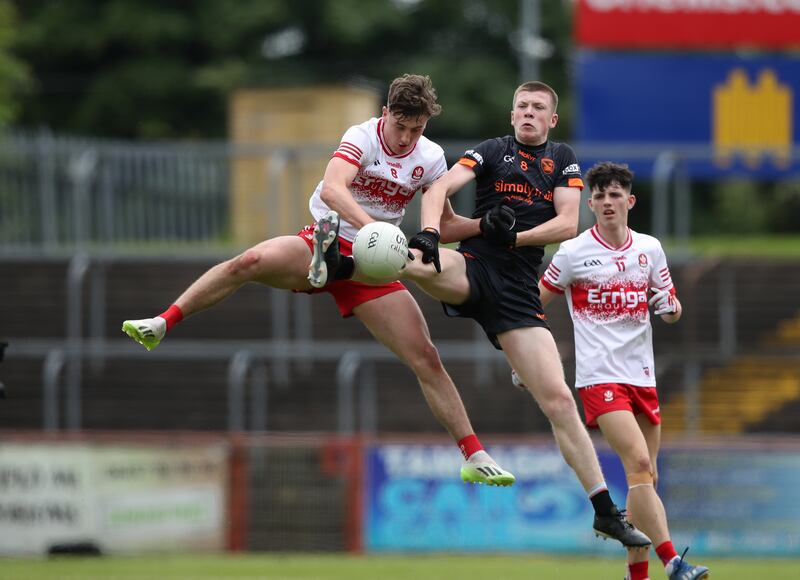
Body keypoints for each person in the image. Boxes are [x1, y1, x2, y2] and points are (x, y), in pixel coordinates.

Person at [121, 74, 515, 487]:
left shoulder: (430, 158)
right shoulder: (362, 137)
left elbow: (445, 225)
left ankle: (474, 454)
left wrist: (484, 226)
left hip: (372, 267)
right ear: (385, 115)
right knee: (249, 260)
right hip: (325, 240)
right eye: (400, 126)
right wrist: (371, 230)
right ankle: (163, 321)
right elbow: (331, 190)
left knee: (426, 357)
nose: (405, 138)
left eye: (416, 129)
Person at [356, 80, 650, 547]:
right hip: (474, 266)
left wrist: (512, 238)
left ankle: (604, 511)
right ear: (512, 114)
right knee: (405, 258)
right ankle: (336, 262)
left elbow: (567, 223)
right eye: (522, 107)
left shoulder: (563, 157)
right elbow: (440, 188)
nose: (529, 113)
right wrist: (431, 232)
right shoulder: (492, 150)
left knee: (557, 400)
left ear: (551, 120)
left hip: (518, 290)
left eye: (538, 108)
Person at [530, 161, 709, 579]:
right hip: (600, 377)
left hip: (642, 377)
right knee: (640, 464)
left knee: (644, 478)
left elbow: (670, 308)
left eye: (615, 195)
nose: (607, 202)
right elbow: (534, 303)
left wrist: (671, 309)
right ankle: (673, 562)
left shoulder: (650, 248)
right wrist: (532, 352)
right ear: (590, 203)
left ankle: (637, 574)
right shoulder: (573, 252)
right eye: (599, 196)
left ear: (630, 201)